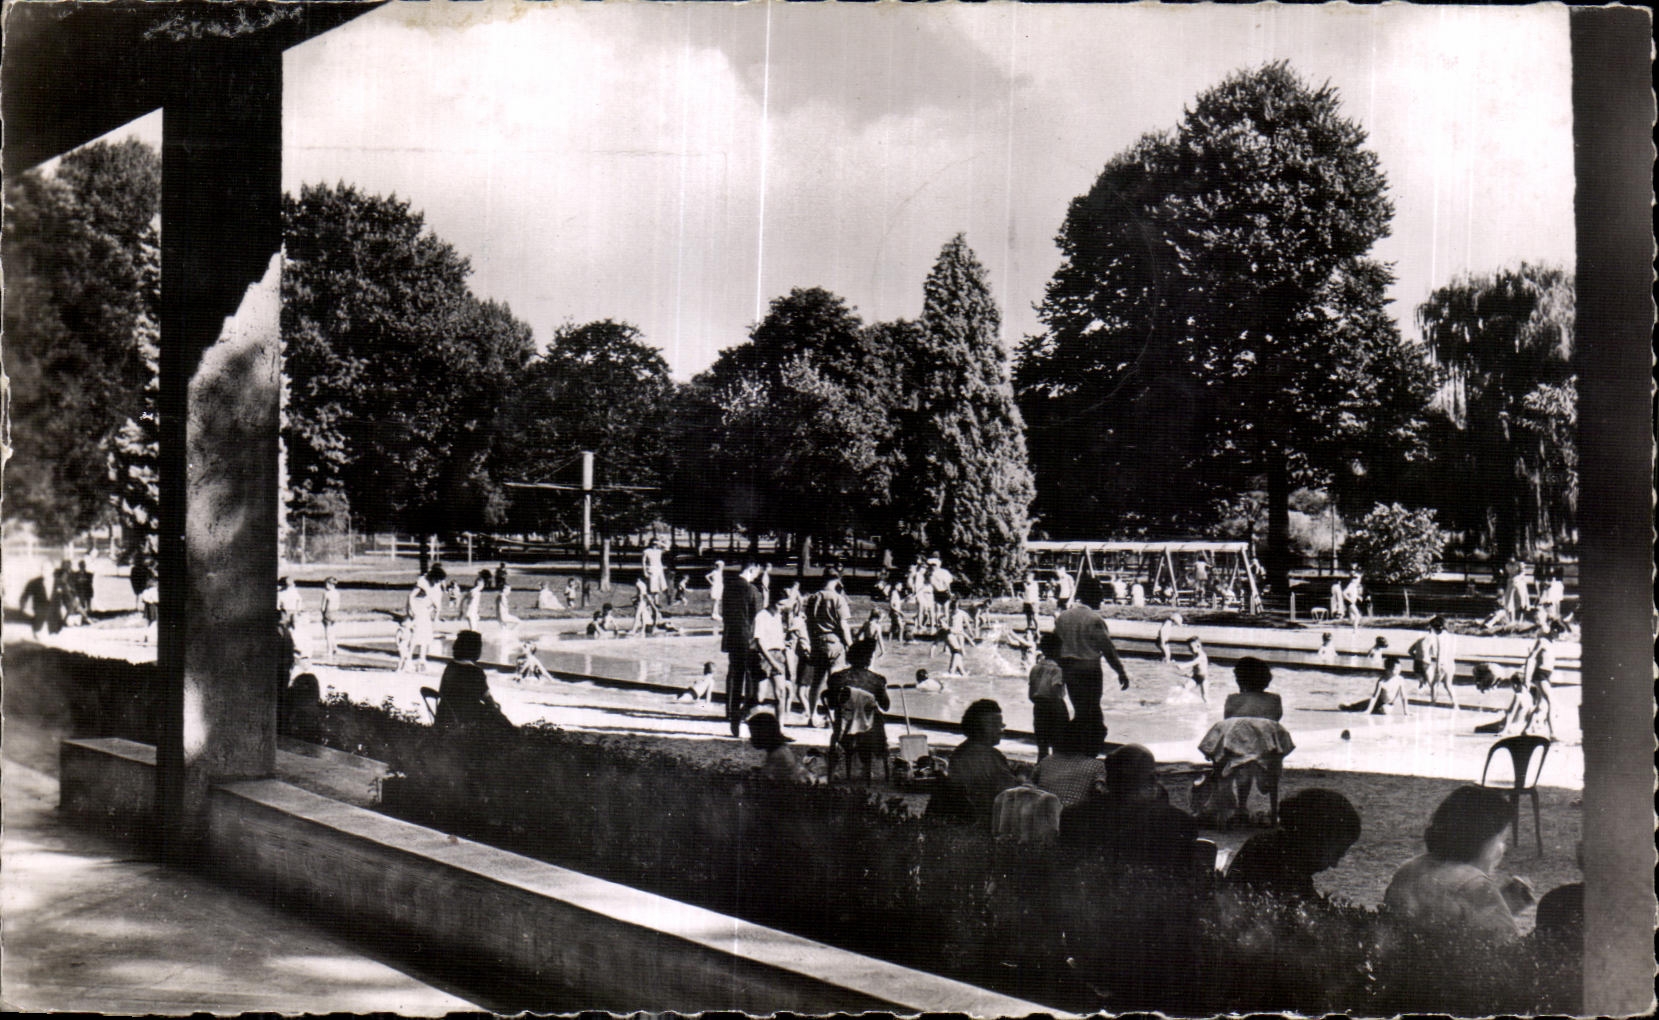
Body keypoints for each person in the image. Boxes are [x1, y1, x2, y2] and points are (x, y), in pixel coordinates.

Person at [1383, 785, 1532, 942]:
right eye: (1500, 840)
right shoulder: (1476, 884)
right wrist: (1494, 905)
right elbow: (1508, 946)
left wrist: (1501, 905)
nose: (1502, 849)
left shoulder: (1408, 868)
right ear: (1481, 839)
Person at [1226, 789, 1362, 901]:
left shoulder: (1275, 848)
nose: (1334, 864)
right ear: (1315, 840)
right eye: (1336, 854)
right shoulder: (1275, 860)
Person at [1052, 570, 1131, 735]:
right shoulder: (1094, 619)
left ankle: (1078, 746)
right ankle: (1091, 747)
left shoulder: (1063, 617)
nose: (1101, 598)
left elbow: (1054, 646)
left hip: (1069, 669)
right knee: (1093, 710)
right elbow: (1108, 649)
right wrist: (1121, 671)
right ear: (1091, 595)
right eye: (1099, 594)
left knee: (1080, 710)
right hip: (1089, 671)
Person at [924, 699, 1020, 826]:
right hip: (987, 820)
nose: (1001, 730)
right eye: (997, 725)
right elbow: (1010, 793)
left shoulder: (960, 752)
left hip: (966, 816)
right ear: (981, 727)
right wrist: (1022, 777)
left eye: (1001, 725)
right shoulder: (992, 756)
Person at [434, 630, 513, 736]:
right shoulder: (475, 672)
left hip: (445, 714)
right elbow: (487, 699)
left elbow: (442, 691)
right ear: (475, 650)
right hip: (464, 717)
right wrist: (495, 708)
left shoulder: (450, 667)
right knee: (497, 715)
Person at [801, 574, 854, 728]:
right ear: (837, 581)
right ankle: (834, 716)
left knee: (817, 681)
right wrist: (850, 645)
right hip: (834, 641)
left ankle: (812, 715)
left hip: (817, 640)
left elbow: (808, 623)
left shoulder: (813, 598)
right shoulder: (838, 598)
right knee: (836, 681)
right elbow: (843, 625)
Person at [720, 561, 764, 737]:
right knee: (752, 676)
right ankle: (745, 712)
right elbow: (758, 616)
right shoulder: (752, 590)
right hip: (748, 637)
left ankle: (731, 711)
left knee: (734, 674)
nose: (756, 576)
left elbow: (725, 613)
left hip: (732, 635)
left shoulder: (728, 586)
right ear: (751, 569)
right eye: (756, 573)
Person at [1033, 715, 1107, 809]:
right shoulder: (1097, 766)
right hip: (1070, 817)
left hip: (1041, 812)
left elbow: (1029, 785)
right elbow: (1099, 793)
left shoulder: (1047, 761)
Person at [1028, 630, 1069, 761]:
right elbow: (1056, 692)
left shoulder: (1035, 668)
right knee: (1059, 747)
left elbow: (1031, 693)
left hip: (1039, 707)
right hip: (1055, 708)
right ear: (1058, 650)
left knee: (1042, 747)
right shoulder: (1058, 670)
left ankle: (1040, 774)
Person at [748, 710, 814, 783]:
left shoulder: (776, 755)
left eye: (754, 735)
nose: (751, 739)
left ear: (764, 734)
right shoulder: (781, 749)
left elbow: (766, 780)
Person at [1520, 623, 1561, 738]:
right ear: (1554, 630)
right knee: (1550, 702)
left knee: (1540, 706)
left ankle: (1526, 730)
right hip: (1540, 675)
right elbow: (1531, 658)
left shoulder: (1552, 643)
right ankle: (1552, 734)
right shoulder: (1542, 641)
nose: (1560, 637)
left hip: (1547, 676)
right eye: (1559, 633)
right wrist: (1526, 678)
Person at [1413, 616, 1460, 711]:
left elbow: (1440, 653)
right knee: (1448, 685)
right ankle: (1455, 705)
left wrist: (1438, 666)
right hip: (1451, 664)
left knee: (1434, 685)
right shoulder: (1451, 636)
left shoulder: (1439, 637)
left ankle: (1432, 703)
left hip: (1442, 664)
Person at [751, 600, 788, 713]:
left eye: (783, 605)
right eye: (779, 604)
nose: (781, 608)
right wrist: (773, 663)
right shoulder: (761, 616)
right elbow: (759, 643)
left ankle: (780, 726)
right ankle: (742, 715)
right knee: (760, 696)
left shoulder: (778, 616)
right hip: (763, 656)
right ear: (772, 601)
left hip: (778, 655)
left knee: (781, 692)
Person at [1343, 657, 1411, 715]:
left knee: (1385, 710)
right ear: (1387, 670)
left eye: (1399, 669)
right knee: (1362, 705)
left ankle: (1369, 709)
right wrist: (1368, 711)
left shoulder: (1400, 680)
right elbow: (1374, 697)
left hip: (1388, 705)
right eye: (1395, 669)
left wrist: (1406, 711)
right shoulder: (1382, 681)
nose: (1398, 671)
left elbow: (1404, 696)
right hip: (1378, 702)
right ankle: (1349, 707)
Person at [1224, 656, 1283, 721]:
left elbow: (1228, 722)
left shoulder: (1233, 699)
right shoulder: (1274, 699)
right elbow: (1275, 721)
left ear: (1240, 680)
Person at [942, 599, 972, 677]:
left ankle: (958, 669)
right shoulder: (950, 613)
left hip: (960, 633)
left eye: (957, 607)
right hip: (953, 633)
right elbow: (948, 624)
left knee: (960, 651)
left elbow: (967, 623)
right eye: (954, 607)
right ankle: (959, 669)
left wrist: (971, 632)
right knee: (955, 651)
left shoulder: (962, 613)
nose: (955, 609)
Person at [320, 576, 341, 660]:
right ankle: (335, 647)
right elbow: (338, 605)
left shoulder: (326, 594)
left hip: (328, 613)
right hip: (335, 613)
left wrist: (323, 614)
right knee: (332, 632)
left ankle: (329, 651)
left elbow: (322, 607)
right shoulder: (337, 593)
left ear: (329, 584)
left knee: (328, 633)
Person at [1184, 637, 1209, 702]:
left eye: (1191, 648)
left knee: (1205, 697)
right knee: (1185, 687)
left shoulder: (1202, 655)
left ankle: (1209, 709)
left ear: (1198, 646)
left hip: (1203, 678)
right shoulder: (1195, 654)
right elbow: (1195, 666)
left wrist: (1183, 666)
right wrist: (1189, 673)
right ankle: (1189, 702)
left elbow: (1194, 662)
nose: (1189, 650)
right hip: (1195, 677)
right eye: (1189, 648)